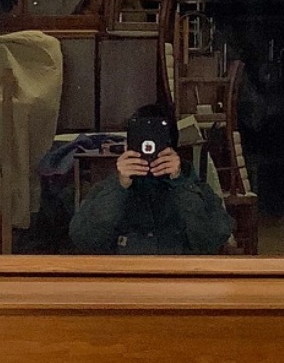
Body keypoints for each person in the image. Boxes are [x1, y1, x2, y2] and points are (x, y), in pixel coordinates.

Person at [69, 105, 234, 255]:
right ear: (128, 145)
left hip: (177, 280)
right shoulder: (110, 189)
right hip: (126, 280)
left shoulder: (192, 187)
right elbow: (83, 240)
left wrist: (180, 184)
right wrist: (119, 187)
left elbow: (213, 240)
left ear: (172, 146)